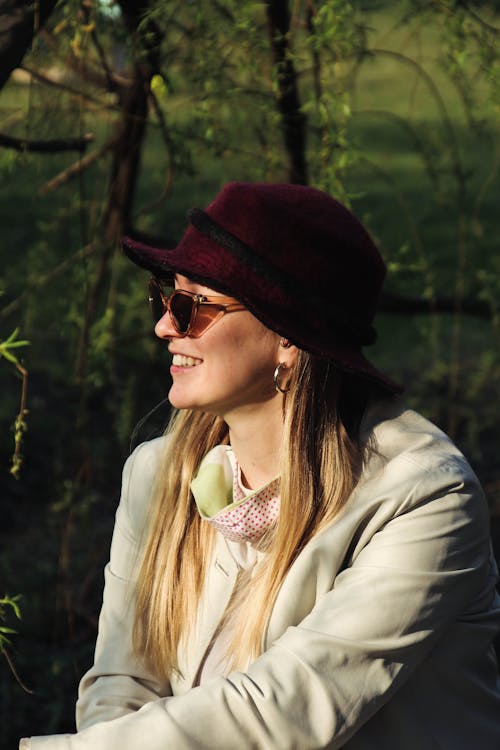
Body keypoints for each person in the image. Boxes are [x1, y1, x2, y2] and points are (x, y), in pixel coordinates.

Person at [21, 182, 500, 749]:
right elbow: (121, 682)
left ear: (288, 339)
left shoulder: (423, 497)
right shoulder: (155, 476)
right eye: (165, 300)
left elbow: (283, 710)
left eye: (193, 306)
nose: (164, 327)